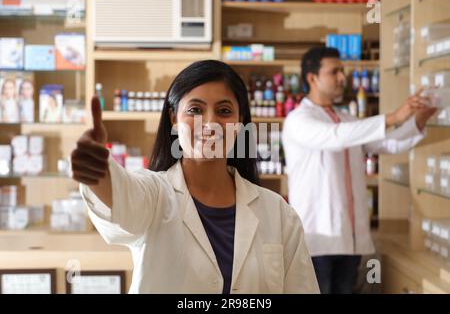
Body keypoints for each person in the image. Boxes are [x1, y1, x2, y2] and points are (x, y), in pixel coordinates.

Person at [73, 60, 319, 294]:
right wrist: (98, 170)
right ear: (173, 119)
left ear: (240, 121)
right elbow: (123, 199)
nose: (210, 123)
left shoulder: (278, 214)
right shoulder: (155, 195)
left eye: (224, 111)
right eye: (195, 110)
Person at [281, 47, 437, 294]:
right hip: (317, 241)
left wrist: (419, 119)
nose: (343, 77)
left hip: (351, 241)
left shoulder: (347, 120)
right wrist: (393, 116)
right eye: (335, 72)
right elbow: (334, 137)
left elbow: (388, 144)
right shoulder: (298, 120)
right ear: (312, 78)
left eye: (342, 71)